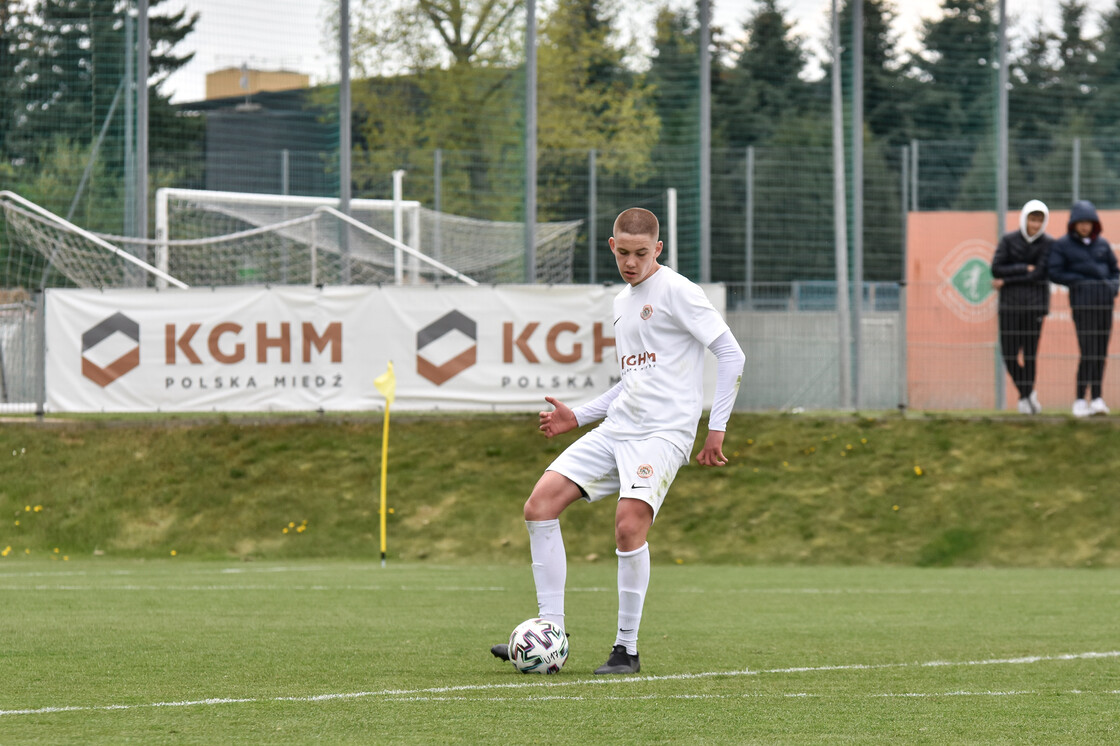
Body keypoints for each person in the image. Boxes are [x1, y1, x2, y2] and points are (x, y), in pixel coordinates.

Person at [490, 207, 746, 674]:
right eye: (623, 253)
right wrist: (578, 417)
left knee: (629, 526)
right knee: (539, 504)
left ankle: (625, 649)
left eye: (641, 254)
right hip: (619, 427)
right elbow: (633, 380)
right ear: (612, 247)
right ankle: (550, 636)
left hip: (664, 433)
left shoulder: (678, 291)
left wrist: (716, 428)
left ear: (658, 250)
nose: (631, 262)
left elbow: (730, 353)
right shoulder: (621, 301)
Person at [1048, 199, 1120, 417]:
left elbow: (1115, 271)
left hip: (1104, 305)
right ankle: (1080, 399)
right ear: (1074, 223)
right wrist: (1080, 281)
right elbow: (1055, 272)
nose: (1085, 226)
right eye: (1081, 222)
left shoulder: (1103, 245)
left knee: (1100, 352)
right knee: (1087, 351)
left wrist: (1112, 288)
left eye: (1089, 222)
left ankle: (1097, 399)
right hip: (1082, 306)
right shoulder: (1063, 245)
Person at [990, 200, 1053, 414]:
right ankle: (1027, 394)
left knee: (1030, 354)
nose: (1035, 224)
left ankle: (1026, 400)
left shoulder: (1048, 244)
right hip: (1009, 307)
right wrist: (1024, 268)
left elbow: (1039, 274)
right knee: (1008, 354)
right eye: (1032, 219)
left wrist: (1008, 280)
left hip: (1034, 307)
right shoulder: (1008, 240)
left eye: (1039, 220)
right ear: (1024, 218)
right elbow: (996, 268)